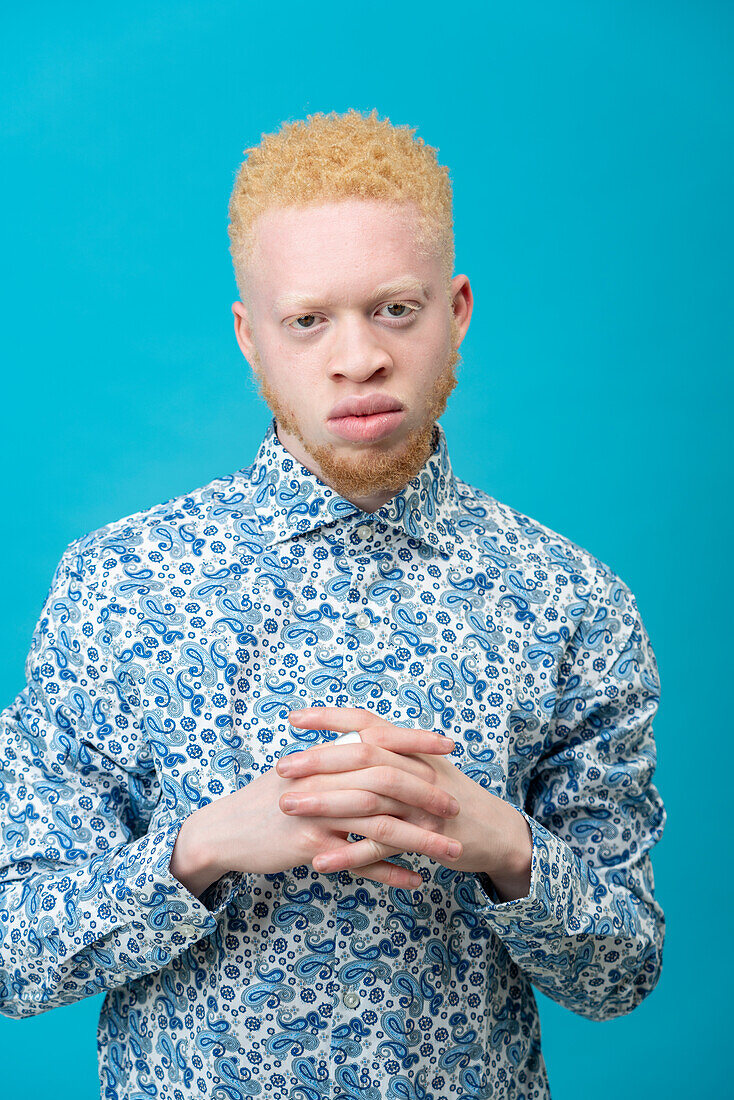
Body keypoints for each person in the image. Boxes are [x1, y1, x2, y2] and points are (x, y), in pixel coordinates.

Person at [0, 108, 666, 1100]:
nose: (355, 358)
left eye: (394, 308)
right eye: (307, 320)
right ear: (249, 337)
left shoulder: (570, 599)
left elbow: (619, 974)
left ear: (458, 309)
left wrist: (497, 843)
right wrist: (203, 847)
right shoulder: (116, 583)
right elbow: (16, 950)